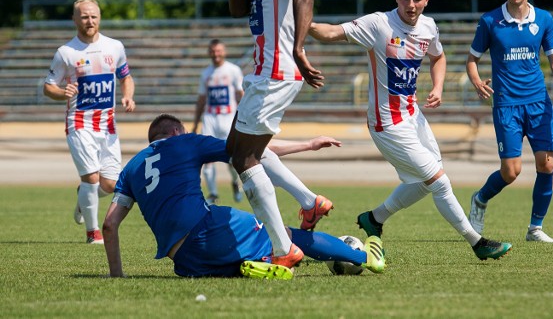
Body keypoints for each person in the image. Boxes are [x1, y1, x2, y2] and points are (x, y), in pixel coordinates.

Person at [308, 0, 512, 261]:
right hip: (386, 122)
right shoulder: (378, 24)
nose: (411, 4)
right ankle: (477, 242)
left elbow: (438, 57)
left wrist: (438, 86)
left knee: (423, 182)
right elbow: (330, 32)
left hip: (413, 116)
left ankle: (374, 219)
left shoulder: (428, 27)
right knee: (439, 182)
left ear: (426, 1)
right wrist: (300, 22)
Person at [103, 114, 385, 280]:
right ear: (177, 132)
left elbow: (110, 225)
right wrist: (307, 145)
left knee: (247, 249)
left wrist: (117, 276)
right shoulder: (186, 142)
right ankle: (362, 257)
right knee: (284, 235)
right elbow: (251, 151)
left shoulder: (132, 167)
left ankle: (252, 264)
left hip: (184, 261)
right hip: (206, 229)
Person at [225, 0, 329, 268]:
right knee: (235, 147)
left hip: (274, 74)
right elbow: (242, 13)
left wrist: (299, 49)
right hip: (266, 74)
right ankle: (308, 201)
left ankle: (283, 249)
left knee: (244, 158)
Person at [466, 0, 553, 243]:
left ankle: (535, 229)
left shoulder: (544, 19)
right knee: (511, 171)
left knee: (547, 165)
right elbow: (472, 60)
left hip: (538, 104)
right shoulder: (490, 21)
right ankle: (480, 199)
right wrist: (477, 81)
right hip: (507, 106)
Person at [43, 0, 135, 244]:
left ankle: (83, 199)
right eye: (84, 16)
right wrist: (62, 93)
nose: (89, 21)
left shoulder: (114, 47)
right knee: (92, 178)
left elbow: (126, 77)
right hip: (80, 123)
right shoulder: (66, 53)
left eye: (93, 16)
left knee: (111, 183)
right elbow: (48, 87)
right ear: (75, 20)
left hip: (108, 125)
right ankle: (93, 234)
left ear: (100, 18)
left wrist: (127, 96)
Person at [192, 39, 244, 204]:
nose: (216, 54)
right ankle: (213, 193)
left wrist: (243, 117)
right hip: (210, 118)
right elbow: (201, 99)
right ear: (209, 52)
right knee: (207, 157)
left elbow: (240, 94)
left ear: (224, 51)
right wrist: (195, 124)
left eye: (219, 51)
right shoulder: (205, 74)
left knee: (232, 158)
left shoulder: (233, 70)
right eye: (213, 51)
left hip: (228, 118)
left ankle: (235, 182)